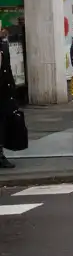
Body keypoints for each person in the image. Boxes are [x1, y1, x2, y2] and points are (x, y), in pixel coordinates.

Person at [0, 28, 17, 168]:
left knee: (2, 122)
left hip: (3, 92)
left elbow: (7, 68)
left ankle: (0, 154)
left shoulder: (3, 46)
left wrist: (12, 88)